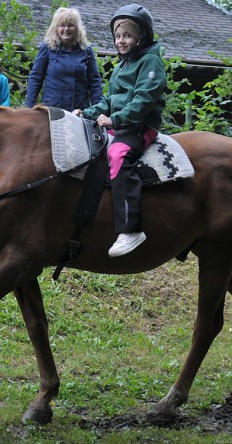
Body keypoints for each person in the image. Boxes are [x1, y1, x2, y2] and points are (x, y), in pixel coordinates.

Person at [78, 4, 166, 257]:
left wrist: (115, 120)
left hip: (139, 125)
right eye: (117, 35)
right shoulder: (122, 65)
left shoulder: (150, 61)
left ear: (142, 37)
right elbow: (109, 100)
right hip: (120, 121)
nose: (121, 40)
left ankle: (130, 228)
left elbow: (143, 100)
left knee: (118, 155)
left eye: (127, 35)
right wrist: (86, 113)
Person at [25, 7, 103, 112]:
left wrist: (97, 110)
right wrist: (29, 108)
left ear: (77, 28)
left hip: (79, 110)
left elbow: (95, 82)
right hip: (53, 109)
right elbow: (36, 78)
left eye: (70, 25)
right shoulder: (48, 48)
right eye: (62, 25)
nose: (66, 29)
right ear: (56, 28)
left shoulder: (86, 50)